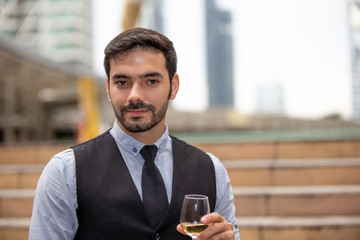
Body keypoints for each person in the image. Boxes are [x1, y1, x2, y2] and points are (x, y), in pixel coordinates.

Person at [29, 27, 240, 240]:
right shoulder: (65, 172)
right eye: (122, 83)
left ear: (173, 86)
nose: (135, 95)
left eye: (151, 81)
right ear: (108, 88)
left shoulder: (212, 171)